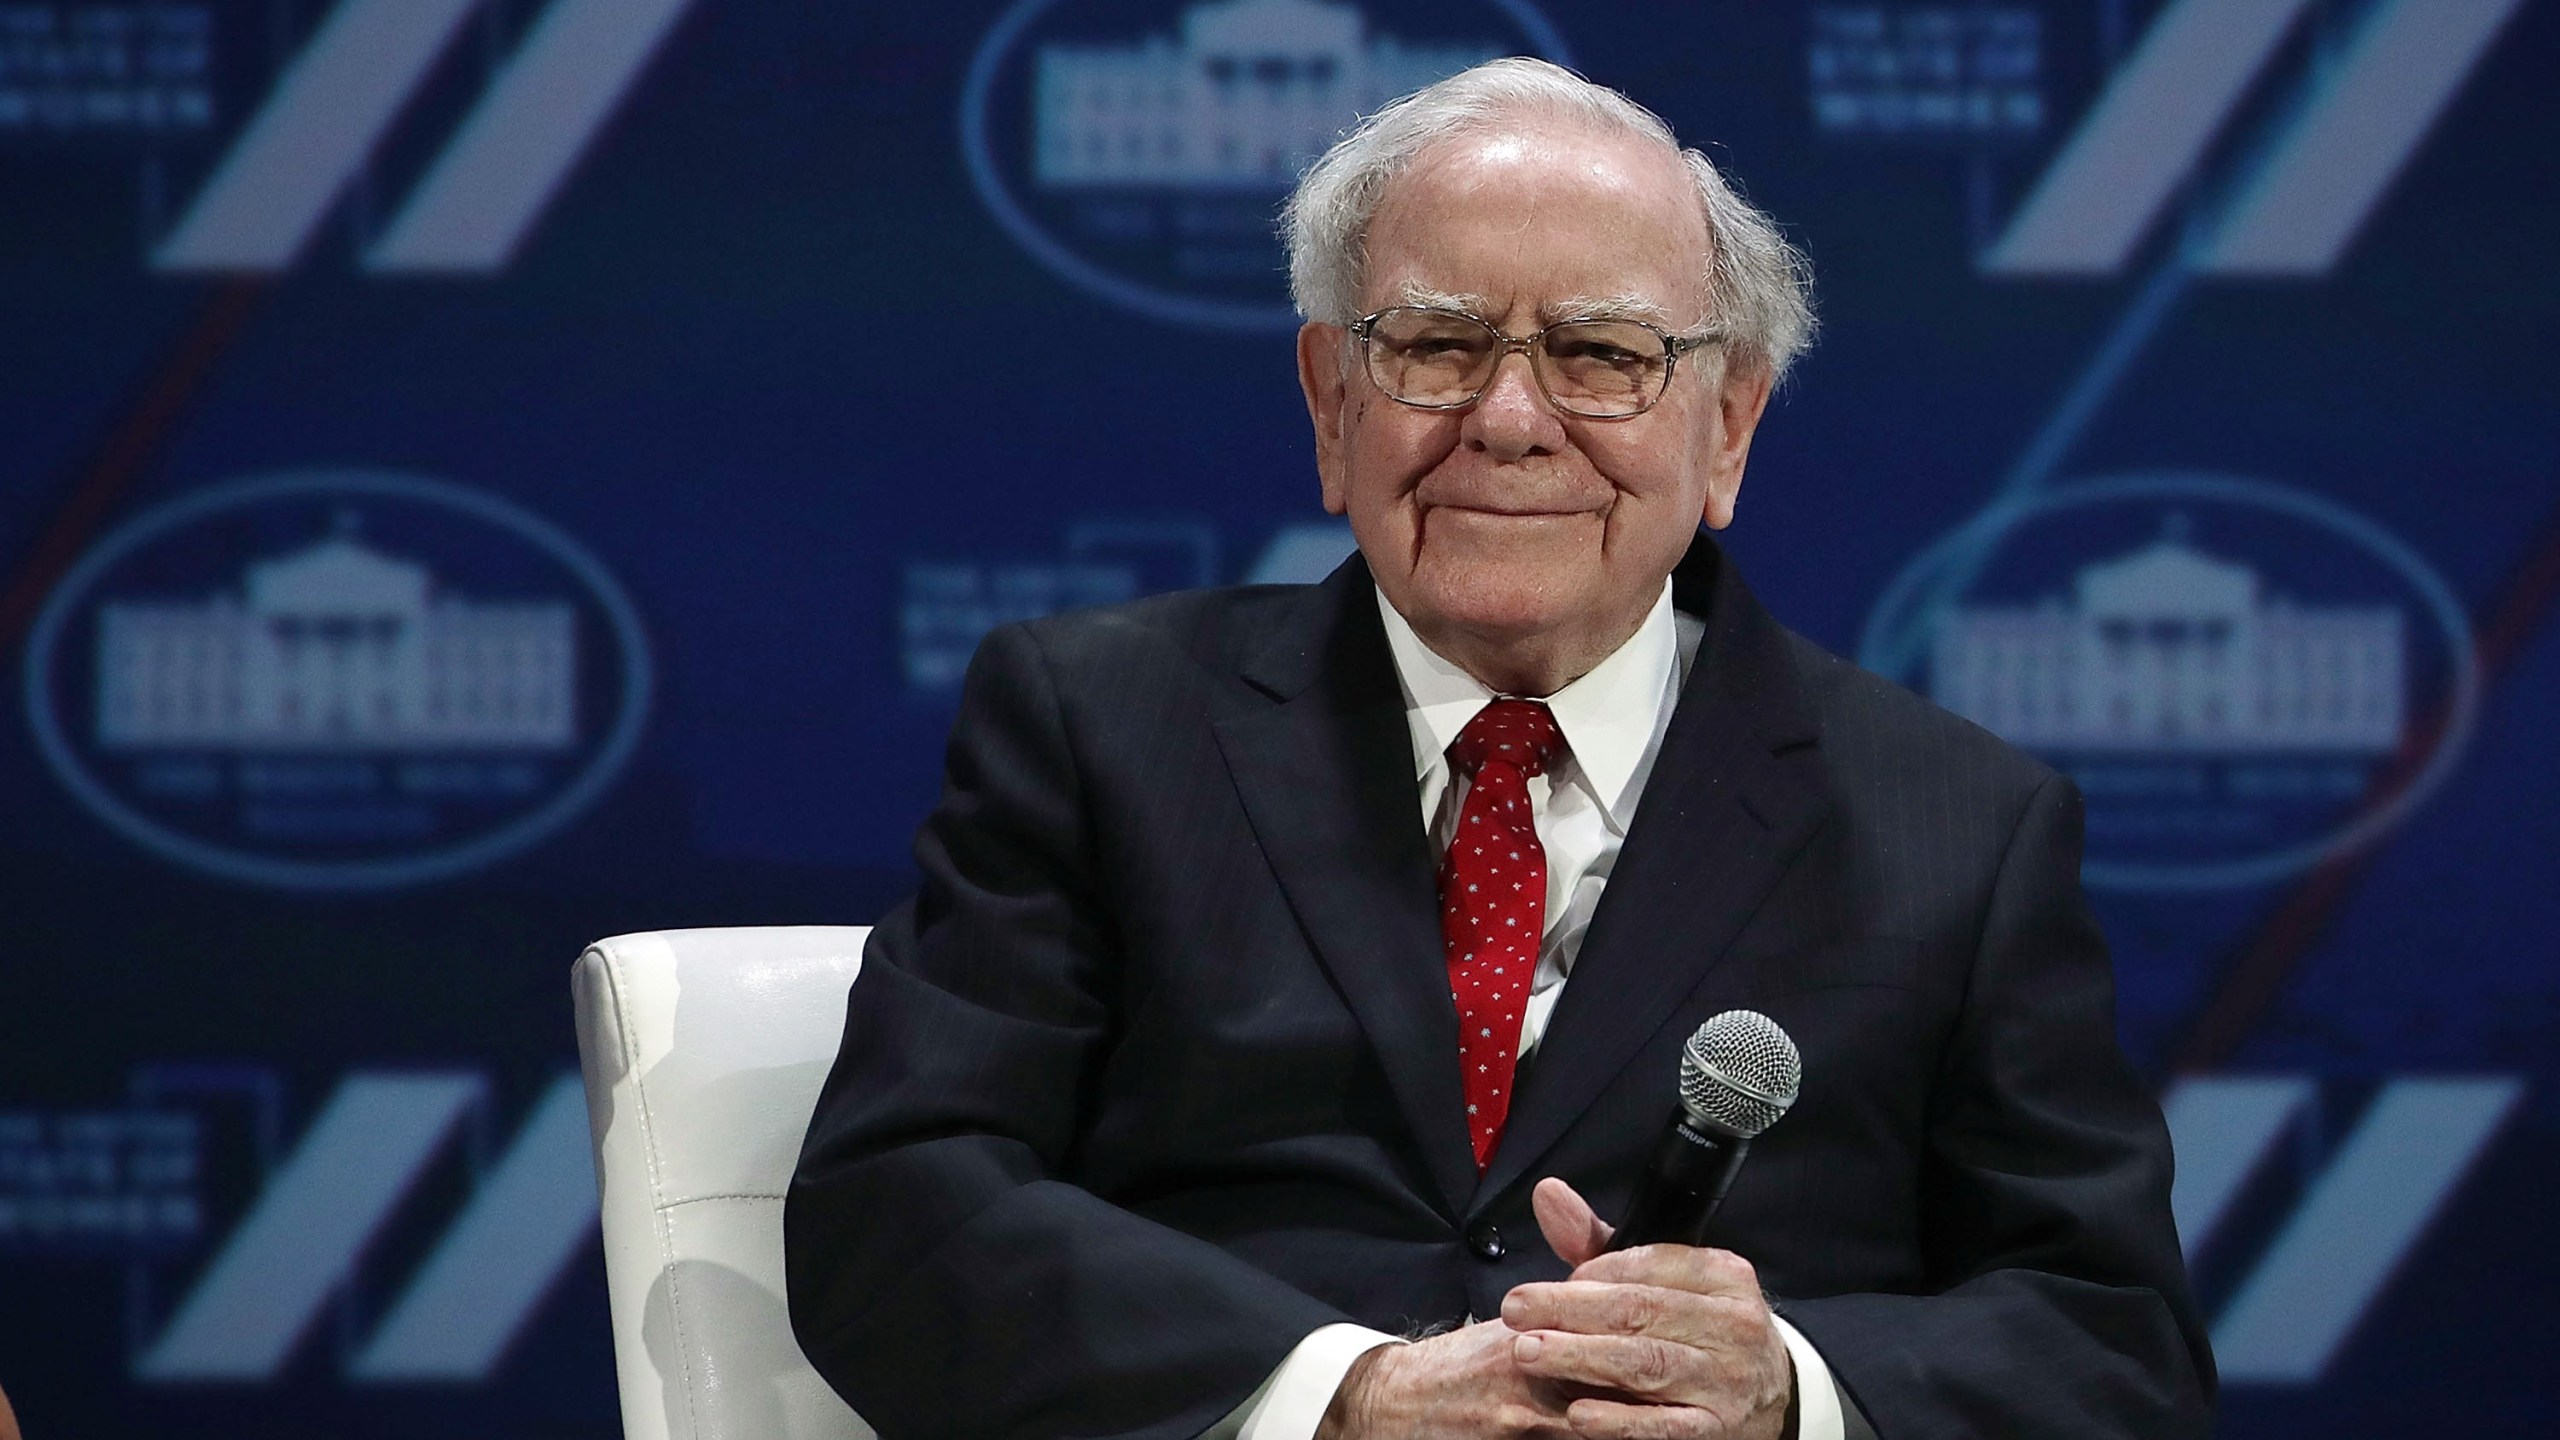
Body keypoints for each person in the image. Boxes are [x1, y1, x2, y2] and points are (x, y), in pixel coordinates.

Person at [788, 57, 2212, 1440]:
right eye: (1436, 346)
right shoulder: (1100, 723)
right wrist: (1348, 1398)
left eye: (1601, 355)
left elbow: (2112, 1343)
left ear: (1728, 426)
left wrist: (1781, 1389)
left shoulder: (1956, 821)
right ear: (1332, 405)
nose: (1511, 421)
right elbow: (898, 1210)